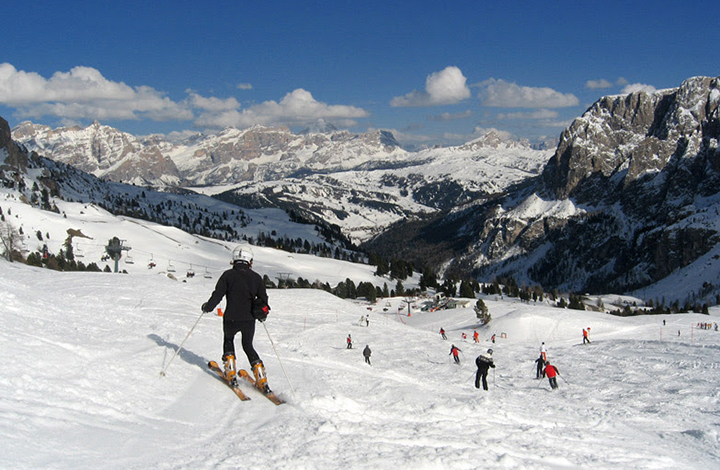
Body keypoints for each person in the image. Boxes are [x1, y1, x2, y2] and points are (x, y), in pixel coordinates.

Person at [202, 245, 271, 392]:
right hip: (249, 319)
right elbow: (264, 299)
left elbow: (217, 294)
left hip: (231, 317)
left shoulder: (227, 275)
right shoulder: (256, 277)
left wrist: (208, 307)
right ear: (249, 260)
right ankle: (261, 379)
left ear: (235, 259)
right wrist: (262, 314)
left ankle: (231, 373)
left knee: (228, 340)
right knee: (248, 346)